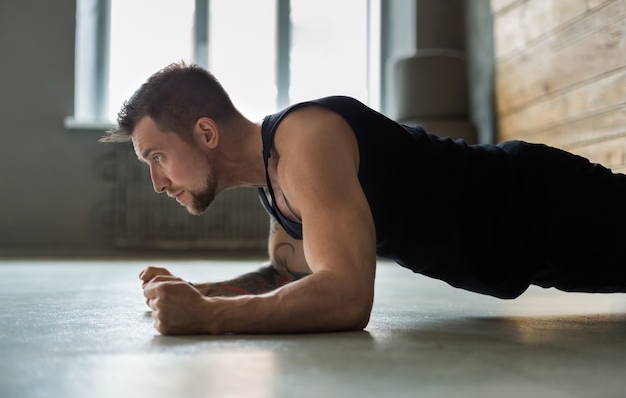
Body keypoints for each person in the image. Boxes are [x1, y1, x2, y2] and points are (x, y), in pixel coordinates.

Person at [100, 62, 626, 335]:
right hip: (531, 253)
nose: (157, 182)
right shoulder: (273, 184)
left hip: (548, 203)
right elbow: (291, 275)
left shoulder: (305, 142)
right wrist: (201, 291)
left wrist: (211, 319)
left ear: (206, 133)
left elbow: (349, 297)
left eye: (157, 157)